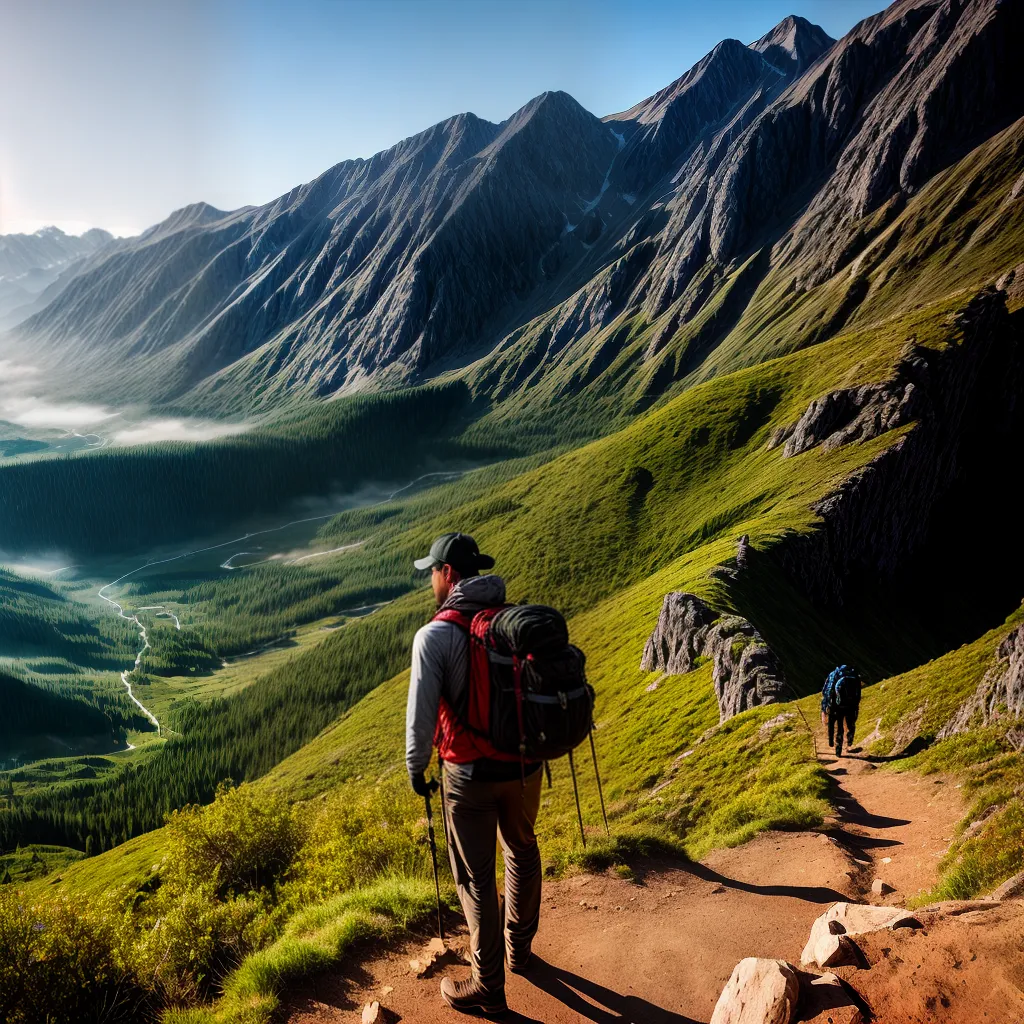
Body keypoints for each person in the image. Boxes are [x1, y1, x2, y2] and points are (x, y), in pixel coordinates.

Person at [406, 531, 543, 1016]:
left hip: (469, 774)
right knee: (522, 852)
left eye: (432, 574)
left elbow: (421, 718)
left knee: (475, 877)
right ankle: (519, 950)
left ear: (447, 575)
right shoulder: (515, 620)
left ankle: (488, 985)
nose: (431, 583)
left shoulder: (435, 636)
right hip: (526, 766)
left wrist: (415, 768)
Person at [821, 664, 863, 757]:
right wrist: (856, 704)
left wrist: (826, 704)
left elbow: (825, 690)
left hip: (837, 705)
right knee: (850, 723)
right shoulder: (855, 675)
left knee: (838, 724)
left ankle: (834, 744)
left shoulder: (833, 674)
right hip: (851, 705)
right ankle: (849, 740)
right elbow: (859, 693)